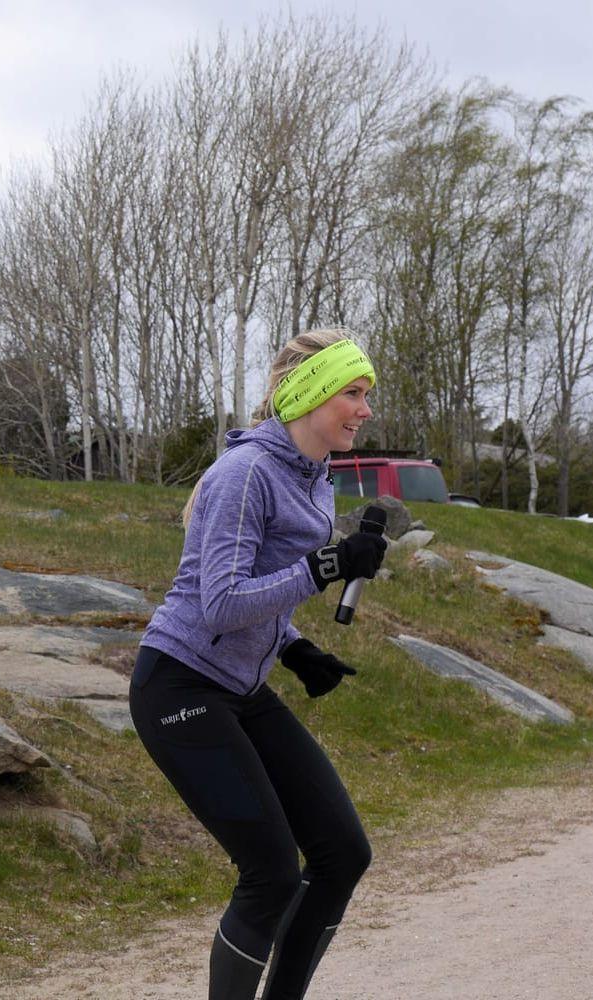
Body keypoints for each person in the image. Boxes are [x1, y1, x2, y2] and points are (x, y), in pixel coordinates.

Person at [130, 329, 386, 1000]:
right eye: (352, 394)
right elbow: (217, 605)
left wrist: (299, 650)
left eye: (366, 396)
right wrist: (326, 566)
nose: (364, 410)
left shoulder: (312, 479)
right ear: (309, 394)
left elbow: (262, 593)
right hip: (179, 685)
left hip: (239, 686)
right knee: (271, 872)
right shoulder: (244, 475)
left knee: (341, 853)